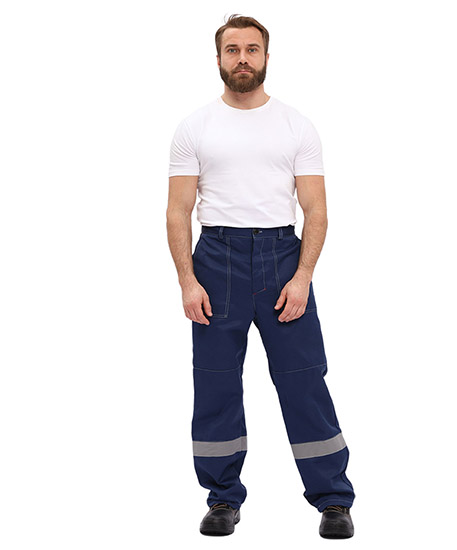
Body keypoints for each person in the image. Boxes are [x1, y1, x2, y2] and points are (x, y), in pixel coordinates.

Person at [166, 14, 356, 539]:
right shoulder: (194, 127)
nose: (243, 58)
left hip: (281, 258)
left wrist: (303, 276)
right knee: (216, 385)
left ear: (267, 57)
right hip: (216, 260)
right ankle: (222, 498)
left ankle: (333, 500)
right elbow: (177, 211)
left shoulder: (296, 126)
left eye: (252, 49)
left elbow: (316, 210)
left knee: (304, 382)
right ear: (219, 59)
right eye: (233, 49)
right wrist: (187, 281)